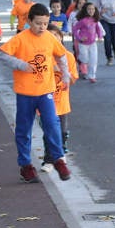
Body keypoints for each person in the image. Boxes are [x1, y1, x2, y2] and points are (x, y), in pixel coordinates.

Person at [0, 3, 73, 183]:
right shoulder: (21, 38)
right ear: (29, 21)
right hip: (25, 93)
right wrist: (21, 65)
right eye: (38, 23)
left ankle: (58, 159)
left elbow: (61, 55)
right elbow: (2, 55)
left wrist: (65, 75)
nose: (42, 27)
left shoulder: (49, 38)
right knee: (24, 129)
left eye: (45, 23)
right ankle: (26, 166)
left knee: (52, 124)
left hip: (46, 91)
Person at [41, 24, 79, 170]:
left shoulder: (68, 56)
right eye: (49, 36)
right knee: (49, 132)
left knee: (62, 131)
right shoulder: (42, 57)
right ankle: (49, 160)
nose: (53, 38)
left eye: (55, 35)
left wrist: (62, 71)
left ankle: (60, 151)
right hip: (45, 101)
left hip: (61, 101)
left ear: (61, 37)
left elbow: (73, 79)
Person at [72, 2, 105, 83]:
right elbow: (75, 29)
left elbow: (98, 30)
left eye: (93, 9)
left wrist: (100, 37)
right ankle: (80, 60)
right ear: (85, 11)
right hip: (83, 44)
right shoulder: (82, 21)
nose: (91, 11)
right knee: (84, 59)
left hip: (93, 43)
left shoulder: (95, 20)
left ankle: (92, 76)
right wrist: (79, 38)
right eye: (89, 9)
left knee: (93, 60)